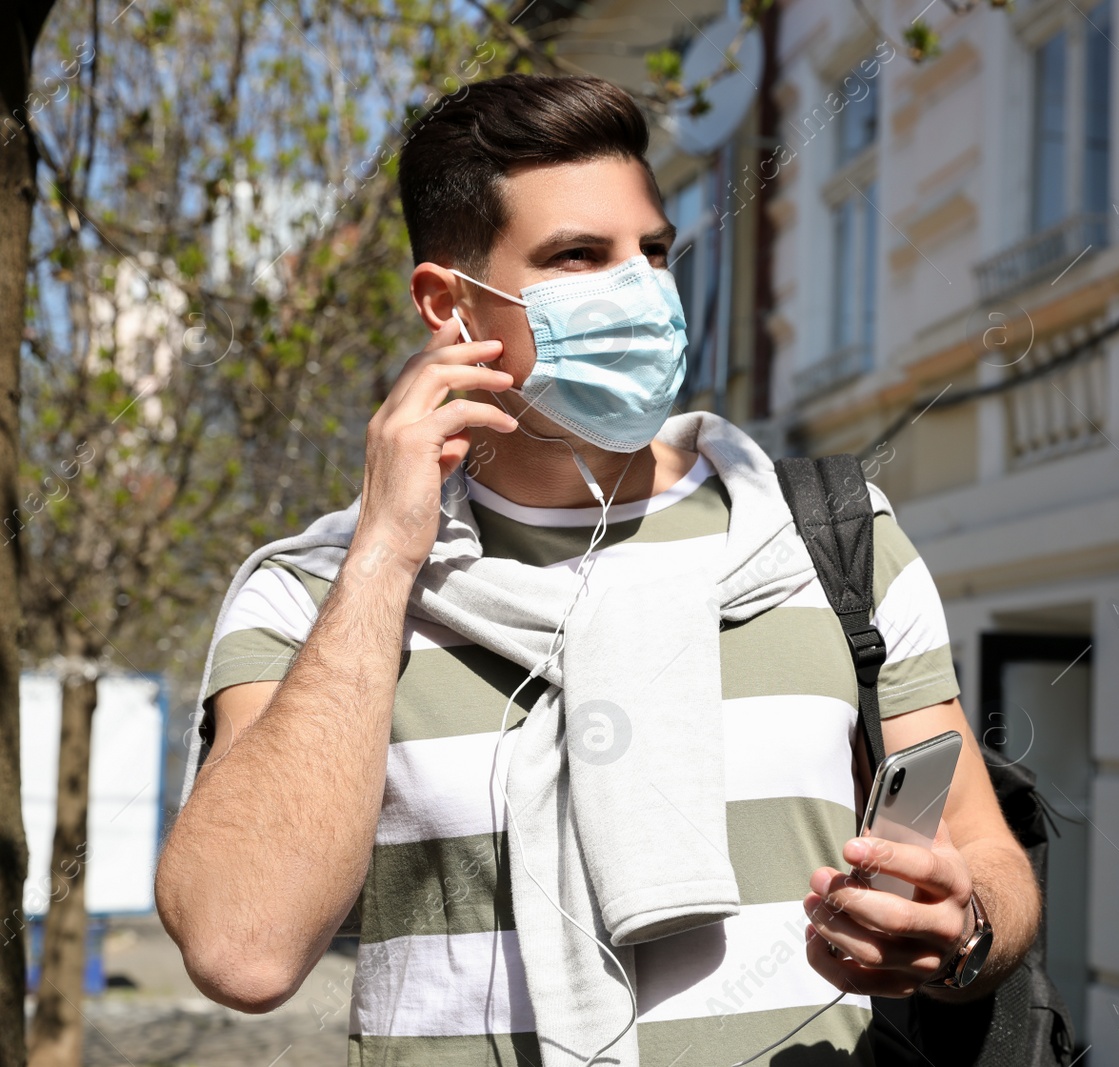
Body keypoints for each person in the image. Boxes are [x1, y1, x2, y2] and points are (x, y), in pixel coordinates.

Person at [155, 73, 1040, 1067]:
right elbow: (243, 946)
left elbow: (988, 859)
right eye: (579, 255)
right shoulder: (314, 589)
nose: (642, 290)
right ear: (447, 306)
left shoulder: (832, 537)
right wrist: (385, 553)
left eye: (653, 250)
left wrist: (958, 933)